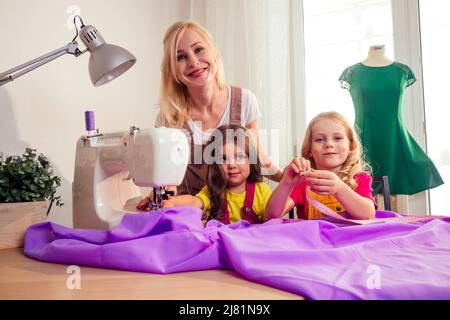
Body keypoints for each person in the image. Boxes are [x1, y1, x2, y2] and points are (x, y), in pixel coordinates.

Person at [137, 20, 281, 210]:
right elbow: (168, 180)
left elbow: (257, 157)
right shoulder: (169, 118)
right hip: (189, 215)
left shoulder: (244, 101)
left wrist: (291, 178)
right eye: (181, 57)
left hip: (234, 216)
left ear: (214, 52)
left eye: (198, 50)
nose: (193, 62)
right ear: (173, 71)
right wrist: (161, 198)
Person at [339, 46, 443, 195]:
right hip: (363, 137)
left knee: (418, 168)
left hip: (396, 137)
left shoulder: (402, 71)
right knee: (359, 188)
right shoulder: (352, 73)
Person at [265, 111, 376, 220]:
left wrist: (340, 188)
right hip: (312, 238)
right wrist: (286, 183)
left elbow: (368, 215)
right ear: (309, 150)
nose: (329, 144)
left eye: (337, 138)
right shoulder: (303, 181)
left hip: (351, 238)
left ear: (351, 146)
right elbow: (272, 214)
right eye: (319, 139)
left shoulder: (359, 179)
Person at [163, 125, 272, 224]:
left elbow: (272, 220)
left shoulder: (262, 190)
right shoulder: (212, 191)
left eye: (239, 157)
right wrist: (173, 202)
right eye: (223, 159)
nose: (232, 165)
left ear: (251, 160)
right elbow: (195, 202)